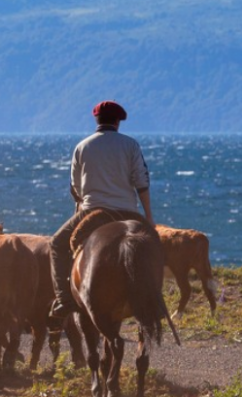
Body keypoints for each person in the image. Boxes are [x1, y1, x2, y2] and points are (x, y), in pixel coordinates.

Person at [49, 100, 155, 319]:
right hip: (128, 211)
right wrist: (148, 217)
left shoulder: (82, 147)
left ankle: (64, 301)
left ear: (96, 120)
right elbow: (141, 182)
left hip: (91, 211)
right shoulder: (130, 145)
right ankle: (154, 297)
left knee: (57, 244)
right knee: (153, 247)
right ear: (118, 121)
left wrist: (77, 214)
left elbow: (76, 189)